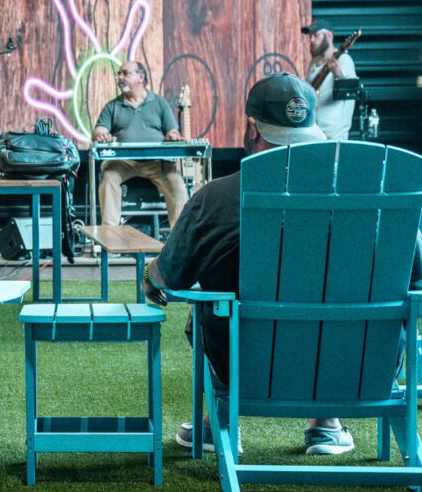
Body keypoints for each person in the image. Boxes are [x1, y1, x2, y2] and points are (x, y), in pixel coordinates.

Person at [143, 73, 422, 456]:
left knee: (206, 311)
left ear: (252, 128)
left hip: (250, 371)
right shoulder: (376, 198)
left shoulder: (215, 199)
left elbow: (164, 279)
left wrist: (150, 275)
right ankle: (326, 423)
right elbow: (416, 276)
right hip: (359, 370)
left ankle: (220, 422)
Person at [93, 61, 188, 228]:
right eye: (119, 74)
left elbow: (172, 131)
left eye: (125, 73)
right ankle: (109, 237)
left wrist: (173, 135)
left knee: (177, 183)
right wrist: (101, 134)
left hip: (156, 162)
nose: (120, 77)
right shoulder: (112, 106)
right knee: (108, 176)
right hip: (124, 162)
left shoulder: (159, 103)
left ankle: (180, 240)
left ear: (141, 77)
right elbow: (99, 130)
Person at [301, 20, 357, 140]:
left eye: (315, 35)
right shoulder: (313, 64)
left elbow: (351, 92)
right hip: (313, 134)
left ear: (329, 36)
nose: (311, 40)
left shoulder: (344, 60)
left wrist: (338, 74)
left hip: (334, 137)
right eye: (310, 36)